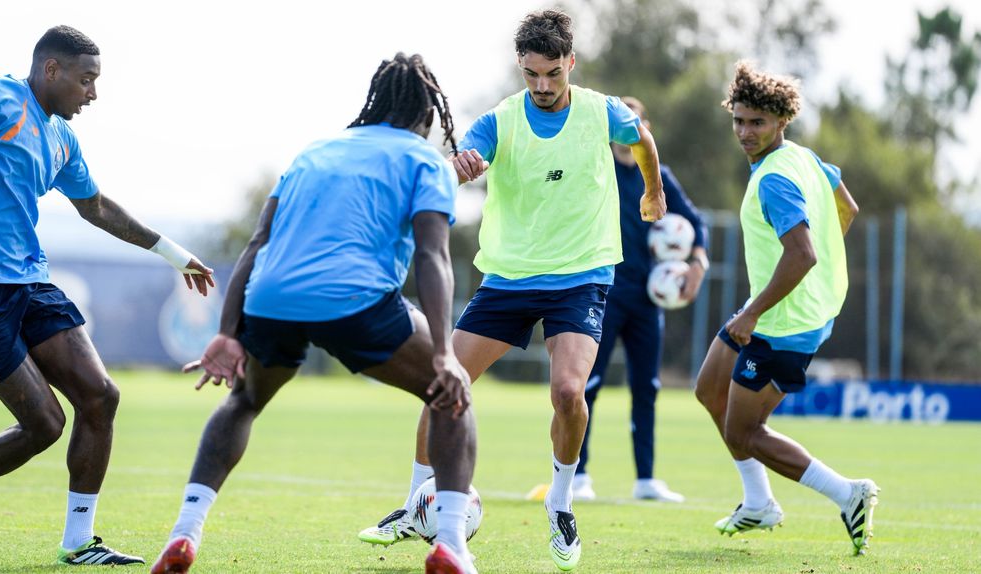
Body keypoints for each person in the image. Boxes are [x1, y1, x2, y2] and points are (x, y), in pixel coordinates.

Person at [357, 10, 666, 572]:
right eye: (531, 75)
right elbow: (455, 165)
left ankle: (561, 499)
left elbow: (642, 139)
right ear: (519, 69)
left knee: (569, 393)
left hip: (581, 275)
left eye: (552, 74)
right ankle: (413, 505)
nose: (543, 86)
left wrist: (653, 191)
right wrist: (461, 169)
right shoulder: (501, 120)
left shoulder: (602, 110)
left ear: (570, 63)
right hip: (508, 278)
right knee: (440, 384)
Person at [149, 52, 478, 574]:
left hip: (271, 300)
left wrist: (227, 333)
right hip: (356, 302)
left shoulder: (314, 151)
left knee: (244, 402)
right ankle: (452, 545)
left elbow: (257, 245)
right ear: (427, 115)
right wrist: (444, 353)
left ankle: (184, 533)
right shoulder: (425, 160)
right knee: (450, 398)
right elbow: (433, 257)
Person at [0, 25, 215, 566]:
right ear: (52, 70)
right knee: (45, 424)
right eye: (86, 80)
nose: (92, 93)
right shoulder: (2, 95)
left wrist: (172, 252)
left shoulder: (61, 137)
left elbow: (95, 207)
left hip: (27, 281)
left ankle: (80, 544)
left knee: (101, 396)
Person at [693, 61, 877, 556]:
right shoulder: (805, 158)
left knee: (744, 432)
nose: (745, 132)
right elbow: (848, 208)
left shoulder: (774, 179)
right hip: (779, 307)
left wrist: (754, 313)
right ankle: (758, 502)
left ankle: (848, 493)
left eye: (757, 122)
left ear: (781, 122)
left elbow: (803, 253)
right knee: (710, 388)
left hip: (783, 323)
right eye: (739, 120)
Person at [573, 97, 709, 504]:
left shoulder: (659, 175)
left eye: (634, 125)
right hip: (602, 295)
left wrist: (697, 265)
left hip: (648, 300)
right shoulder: (597, 171)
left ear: (643, 129)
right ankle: (577, 475)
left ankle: (646, 480)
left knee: (647, 388)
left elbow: (696, 222)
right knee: (587, 386)